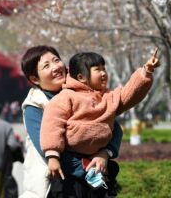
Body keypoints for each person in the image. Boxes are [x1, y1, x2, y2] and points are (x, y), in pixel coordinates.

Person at [41, 49, 160, 195]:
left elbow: (130, 93)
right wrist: (53, 157)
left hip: (98, 166)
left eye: (104, 69)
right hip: (70, 170)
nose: (104, 73)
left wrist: (146, 71)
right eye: (98, 69)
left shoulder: (109, 97)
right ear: (81, 77)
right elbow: (52, 125)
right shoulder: (66, 97)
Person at [20, 45, 124, 198]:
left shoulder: (83, 91)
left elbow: (113, 128)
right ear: (35, 78)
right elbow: (47, 147)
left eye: (57, 60)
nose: (56, 67)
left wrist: (104, 154)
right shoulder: (34, 106)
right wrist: (92, 171)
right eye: (47, 66)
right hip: (58, 183)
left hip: (93, 178)